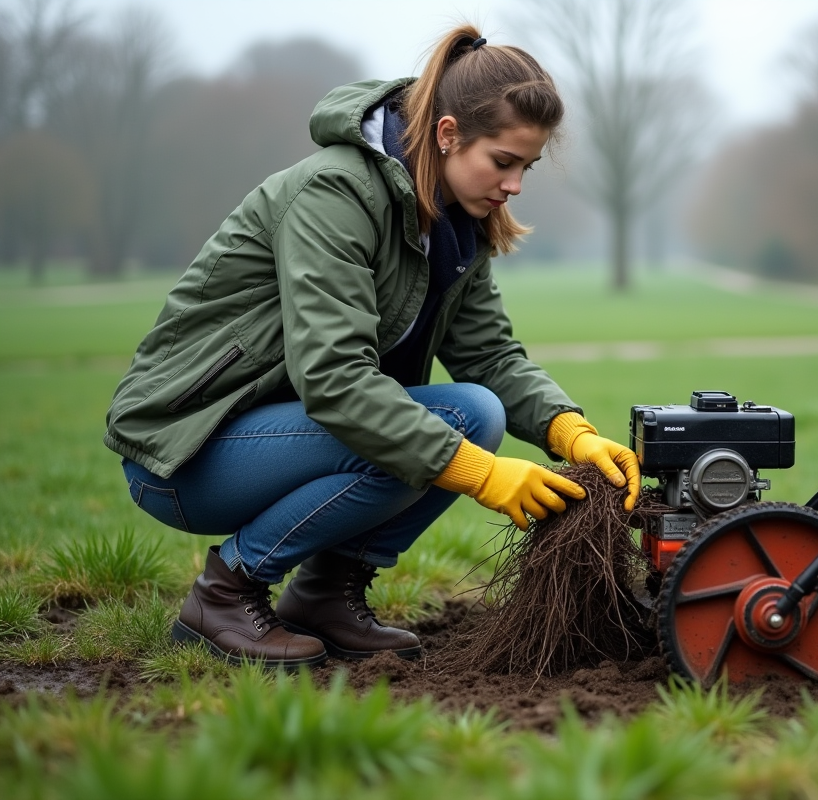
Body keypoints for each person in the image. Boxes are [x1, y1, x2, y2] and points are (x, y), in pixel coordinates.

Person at [103, 25, 640, 669]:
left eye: (526, 166)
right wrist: (481, 472)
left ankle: (327, 594)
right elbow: (334, 380)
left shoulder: (455, 223)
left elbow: (491, 358)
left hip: (286, 436)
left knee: (477, 410)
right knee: (455, 428)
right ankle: (226, 591)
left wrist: (569, 430)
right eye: (503, 161)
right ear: (447, 134)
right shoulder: (334, 194)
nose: (516, 184)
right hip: (187, 451)